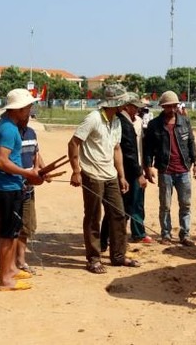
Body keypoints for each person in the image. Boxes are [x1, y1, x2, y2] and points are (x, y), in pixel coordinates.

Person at [68, 85, 138, 274]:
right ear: (115, 103)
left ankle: (118, 256)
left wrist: (122, 175)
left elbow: (116, 149)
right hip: (92, 175)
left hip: (111, 175)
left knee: (118, 214)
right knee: (93, 216)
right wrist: (76, 170)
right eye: (122, 102)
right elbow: (74, 143)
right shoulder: (93, 119)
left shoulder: (116, 121)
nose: (125, 105)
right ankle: (93, 258)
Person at [0, 106, 47, 288]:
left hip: (17, 187)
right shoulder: (8, 129)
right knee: (6, 234)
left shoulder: (11, 127)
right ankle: (4, 277)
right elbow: (2, 161)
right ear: (18, 110)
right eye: (27, 109)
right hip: (8, 188)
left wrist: (38, 172)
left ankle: (11, 269)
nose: (30, 113)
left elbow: (35, 156)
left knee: (16, 230)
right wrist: (26, 173)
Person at [143, 90, 196, 246]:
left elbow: (191, 142)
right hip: (165, 170)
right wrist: (148, 167)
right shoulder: (154, 125)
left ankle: (185, 234)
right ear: (163, 107)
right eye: (168, 107)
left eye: (174, 106)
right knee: (165, 205)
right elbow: (148, 148)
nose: (172, 109)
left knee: (185, 204)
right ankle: (166, 234)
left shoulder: (185, 121)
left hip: (183, 170)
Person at [119, 93, 152, 244]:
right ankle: (118, 234)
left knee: (138, 202)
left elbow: (142, 147)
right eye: (136, 107)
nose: (139, 110)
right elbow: (127, 151)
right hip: (126, 170)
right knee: (124, 203)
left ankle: (138, 233)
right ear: (127, 106)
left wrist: (146, 167)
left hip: (138, 168)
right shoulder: (120, 123)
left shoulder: (138, 122)